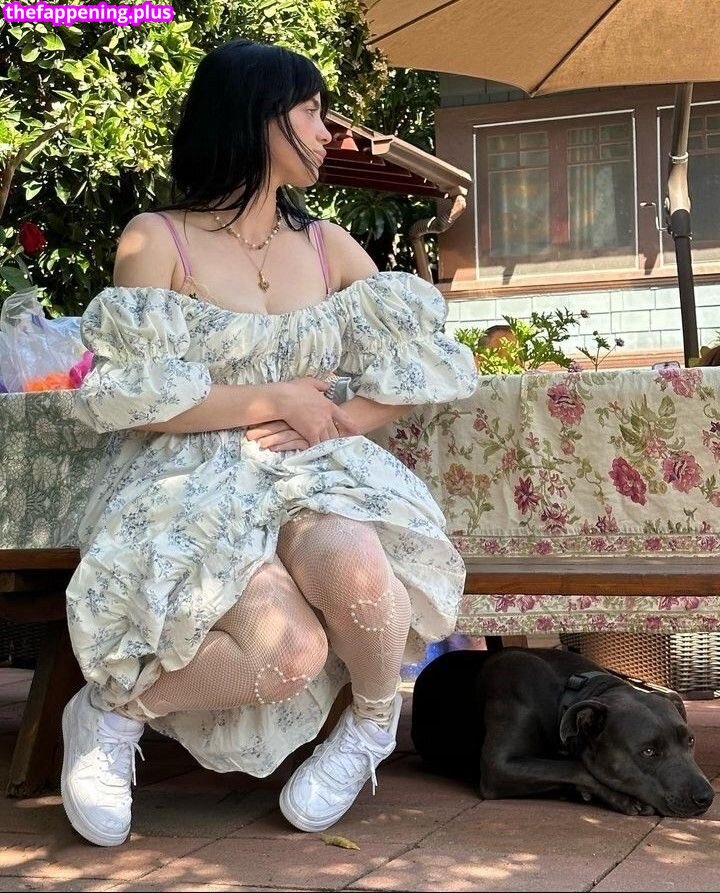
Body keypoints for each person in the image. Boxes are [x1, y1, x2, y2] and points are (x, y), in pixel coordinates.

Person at [61, 38, 478, 847]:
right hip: (195, 479)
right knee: (287, 653)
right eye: (312, 112)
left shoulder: (327, 245)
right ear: (257, 116)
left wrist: (345, 418)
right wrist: (275, 396)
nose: (329, 132)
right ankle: (111, 712)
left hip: (317, 469)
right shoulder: (157, 239)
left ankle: (372, 724)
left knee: (358, 566)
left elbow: (428, 353)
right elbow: (133, 399)